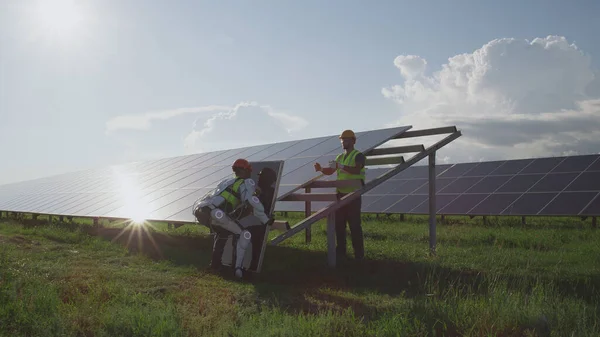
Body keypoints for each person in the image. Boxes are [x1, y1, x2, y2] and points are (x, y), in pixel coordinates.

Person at [192, 158, 272, 278]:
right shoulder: (246, 182)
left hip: (203, 211)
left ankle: (215, 266)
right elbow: (251, 201)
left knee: (222, 233)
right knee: (243, 234)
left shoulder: (227, 181)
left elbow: (227, 198)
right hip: (217, 213)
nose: (251, 174)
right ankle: (237, 270)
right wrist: (266, 219)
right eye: (249, 171)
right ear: (245, 171)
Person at [314, 129, 366, 262]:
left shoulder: (358, 155)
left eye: (346, 140)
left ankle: (359, 256)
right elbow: (331, 171)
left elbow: (356, 169)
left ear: (353, 141)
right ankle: (341, 253)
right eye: (342, 140)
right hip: (340, 195)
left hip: (353, 195)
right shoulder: (340, 157)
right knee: (339, 225)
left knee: (354, 226)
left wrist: (340, 166)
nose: (343, 142)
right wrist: (321, 169)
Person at [248, 167, 277, 272]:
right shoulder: (260, 191)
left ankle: (253, 265)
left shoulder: (265, 193)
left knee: (255, 245)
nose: (259, 179)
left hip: (258, 223)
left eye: (261, 177)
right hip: (253, 221)